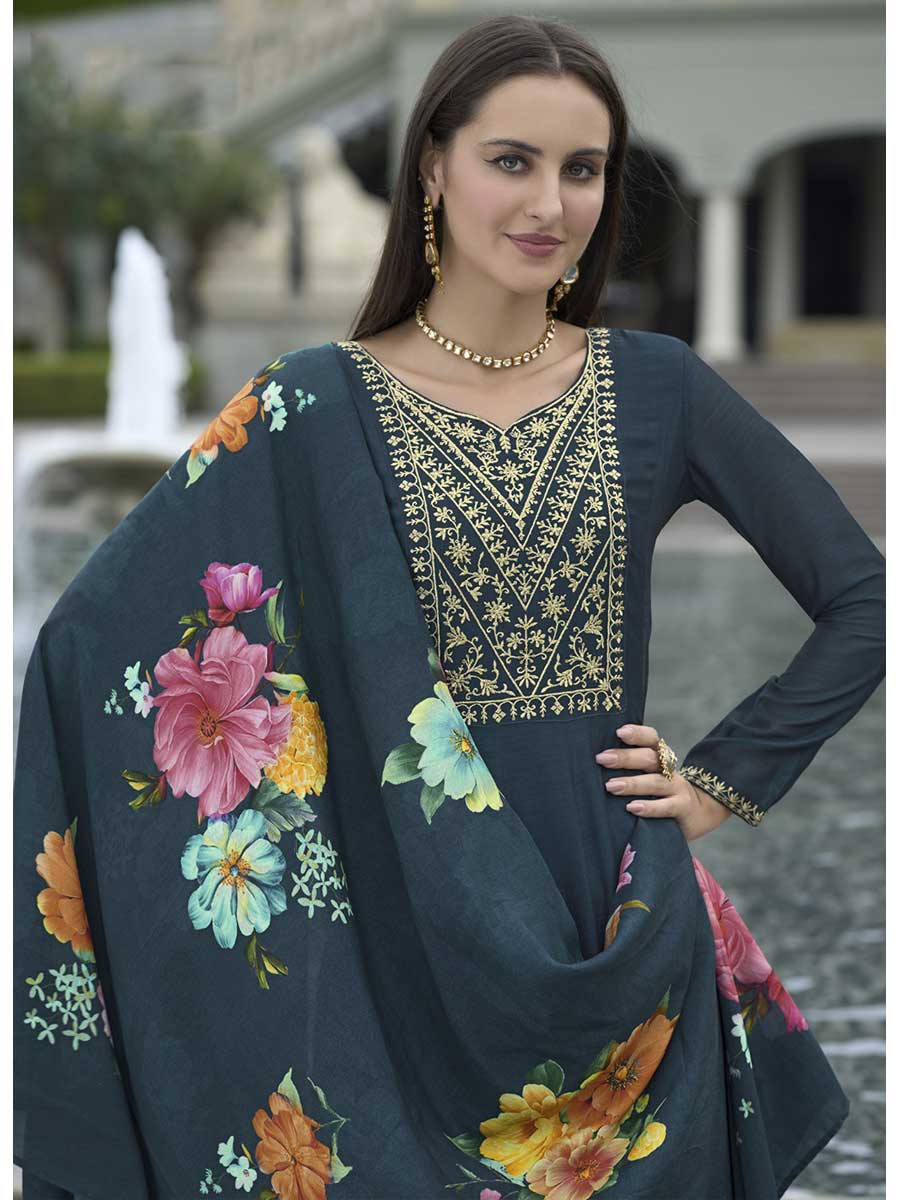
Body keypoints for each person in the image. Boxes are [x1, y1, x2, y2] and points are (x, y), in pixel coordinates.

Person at [13, 14, 885, 1200]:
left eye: (584, 168)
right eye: (511, 160)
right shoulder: (314, 405)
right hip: (400, 950)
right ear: (432, 165)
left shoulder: (658, 386)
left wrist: (721, 780)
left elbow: (863, 598)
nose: (550, 203)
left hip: (616, 936)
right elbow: (93, 647)